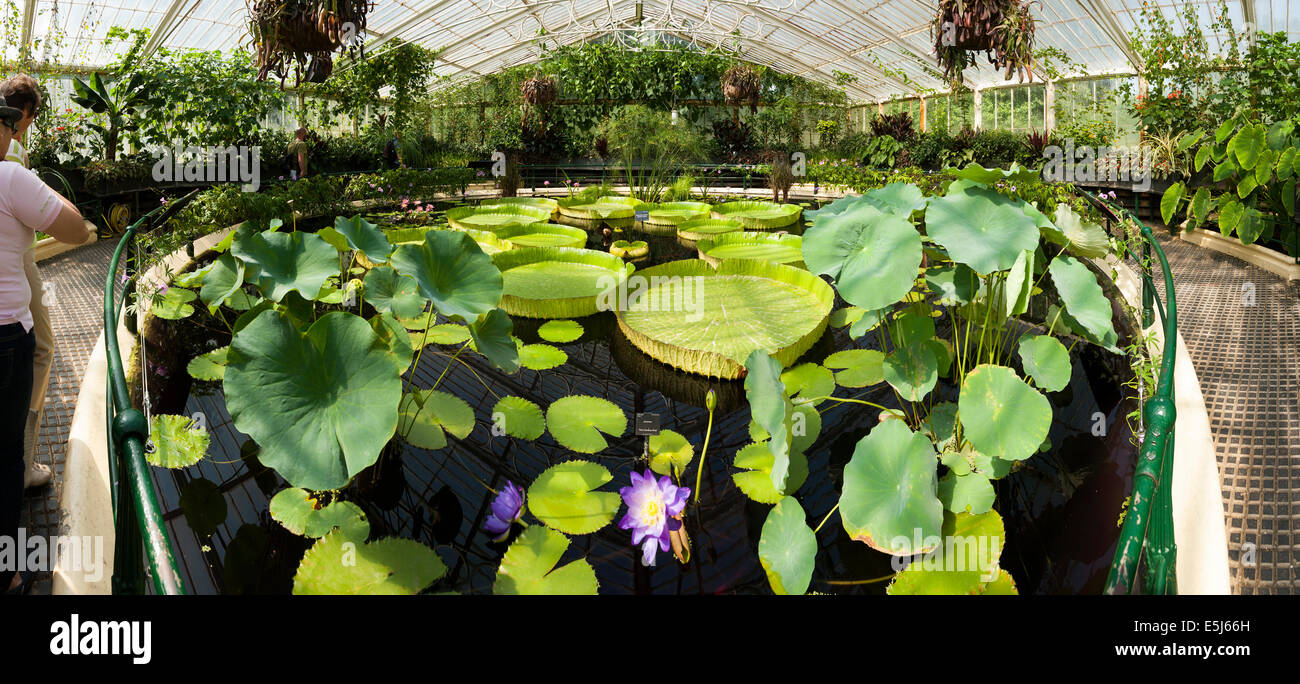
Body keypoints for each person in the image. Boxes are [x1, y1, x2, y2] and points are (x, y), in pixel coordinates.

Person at [0, 93, 89, 595]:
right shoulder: (11, 175)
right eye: (9, 125)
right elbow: (75, 230)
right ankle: (8, 573)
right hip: (6, 335)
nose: (15, 132)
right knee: (7, 450)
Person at [0, 75, 53, 490]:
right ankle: (24, 458)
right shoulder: (13, 150)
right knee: (42, 348)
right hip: (17, 258)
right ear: (25, 116)